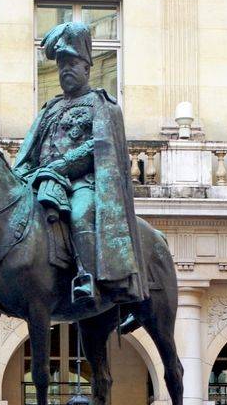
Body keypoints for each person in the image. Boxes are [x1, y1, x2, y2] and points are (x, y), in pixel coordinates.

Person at [13, 21, 147, 304]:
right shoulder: (50, 109)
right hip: (43, 181)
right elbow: (30, 151)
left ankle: (86, 278)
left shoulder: (100, 104)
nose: (65, 70)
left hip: (81, 183)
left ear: (87, 68)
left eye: (72, 63)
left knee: (80, 214)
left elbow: (98, 147)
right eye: (61, 65)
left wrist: (61, 165)